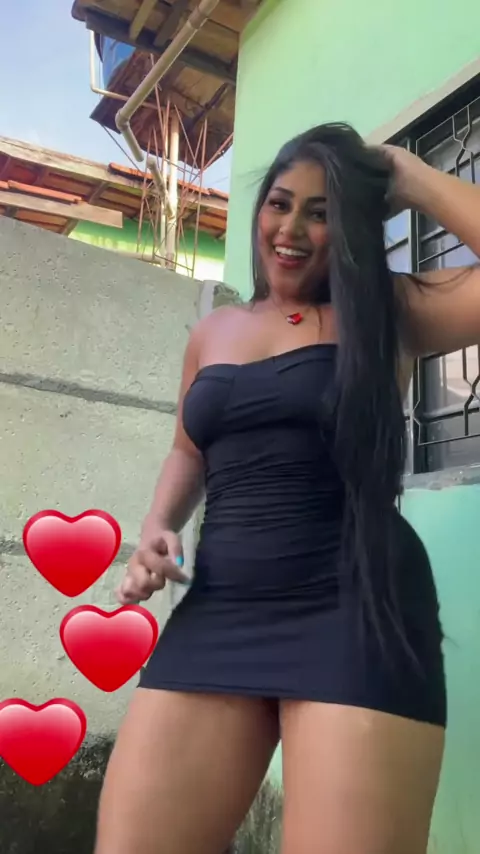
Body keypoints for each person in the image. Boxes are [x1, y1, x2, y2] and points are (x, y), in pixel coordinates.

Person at [94, 123, 480, 854]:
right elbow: (187, 449)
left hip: (355, 608)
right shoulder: (216, 331)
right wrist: (156, 527)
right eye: (279, 203)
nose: (291, 229)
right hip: (222, 608)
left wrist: (410, 175)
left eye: (320, 211)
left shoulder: (388, 311)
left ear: (352, 228)